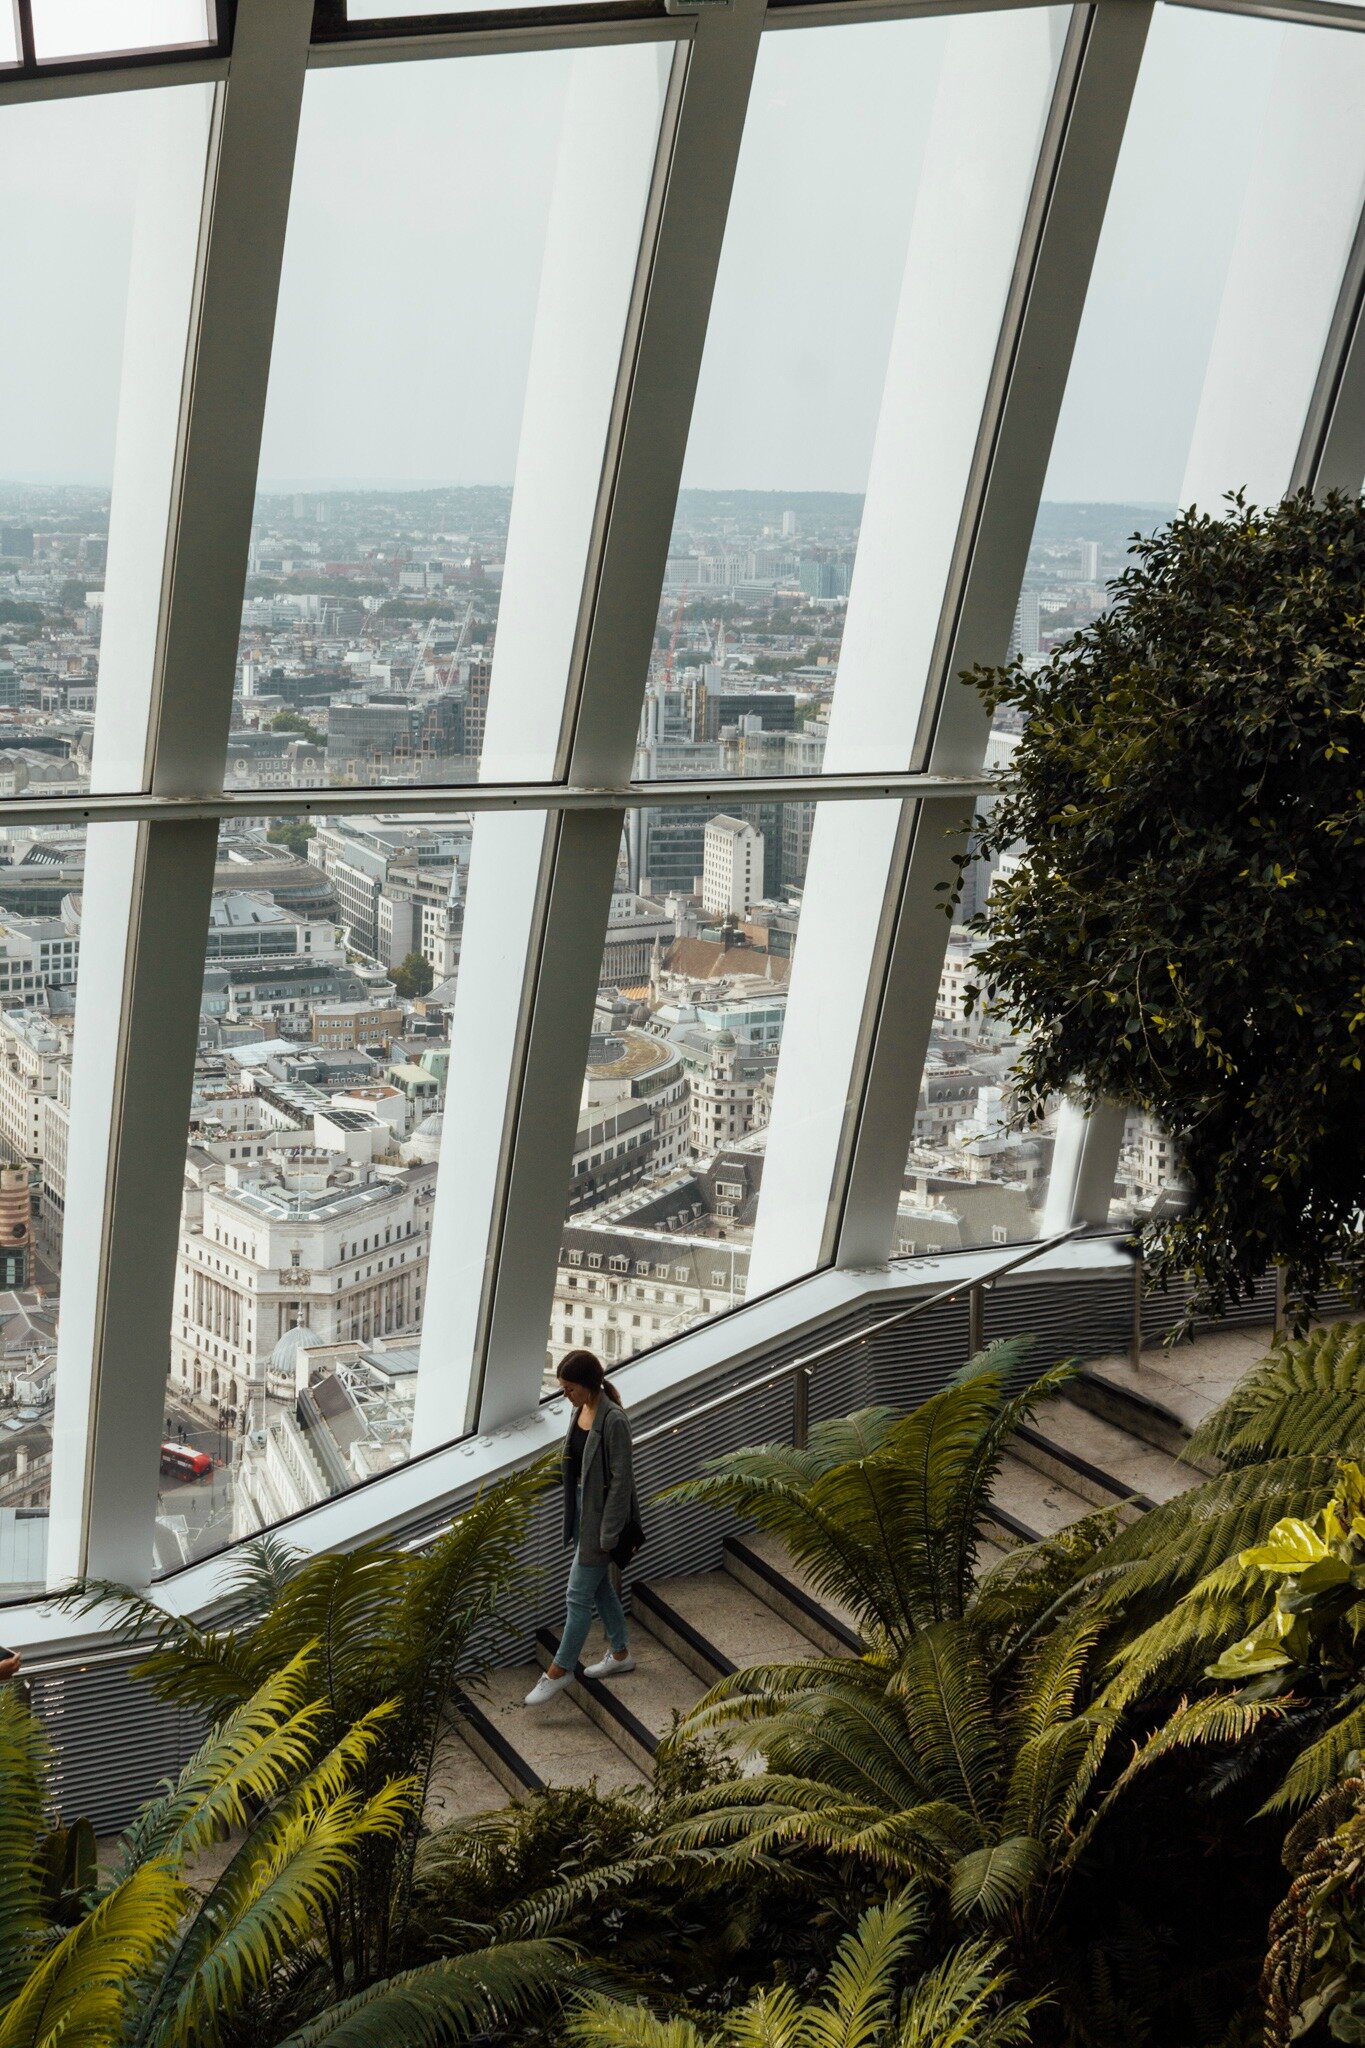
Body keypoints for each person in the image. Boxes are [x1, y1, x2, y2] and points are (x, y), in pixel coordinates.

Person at [526, 1348, 641, 1705]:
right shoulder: (581, 1410)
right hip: (580, 1512)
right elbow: (571, 1463)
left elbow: (622, 1482)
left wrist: (608, 1533)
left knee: (576, 1596)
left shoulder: (614, 1420)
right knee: (599, 1588)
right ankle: (620, 1654)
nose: (565, 1395)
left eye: (569, 1388)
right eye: (562, 1389)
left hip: (601, 1520)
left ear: (588, 1384)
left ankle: (559, 1671)